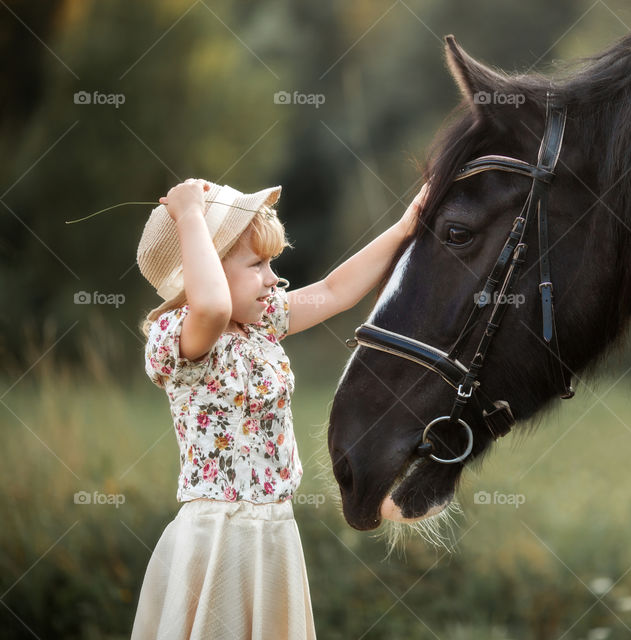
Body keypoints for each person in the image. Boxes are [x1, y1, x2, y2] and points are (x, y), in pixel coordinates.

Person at [130, 177, 425, 639]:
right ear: (201, 267)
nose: (273, 278)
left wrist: (408, 225)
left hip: (273, 531)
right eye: (257, 264)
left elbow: (333, 291)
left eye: (272, 263)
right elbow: (209, 305)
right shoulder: (183, 339)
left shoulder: (260, 325)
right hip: (220, 537)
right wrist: (190, 215)